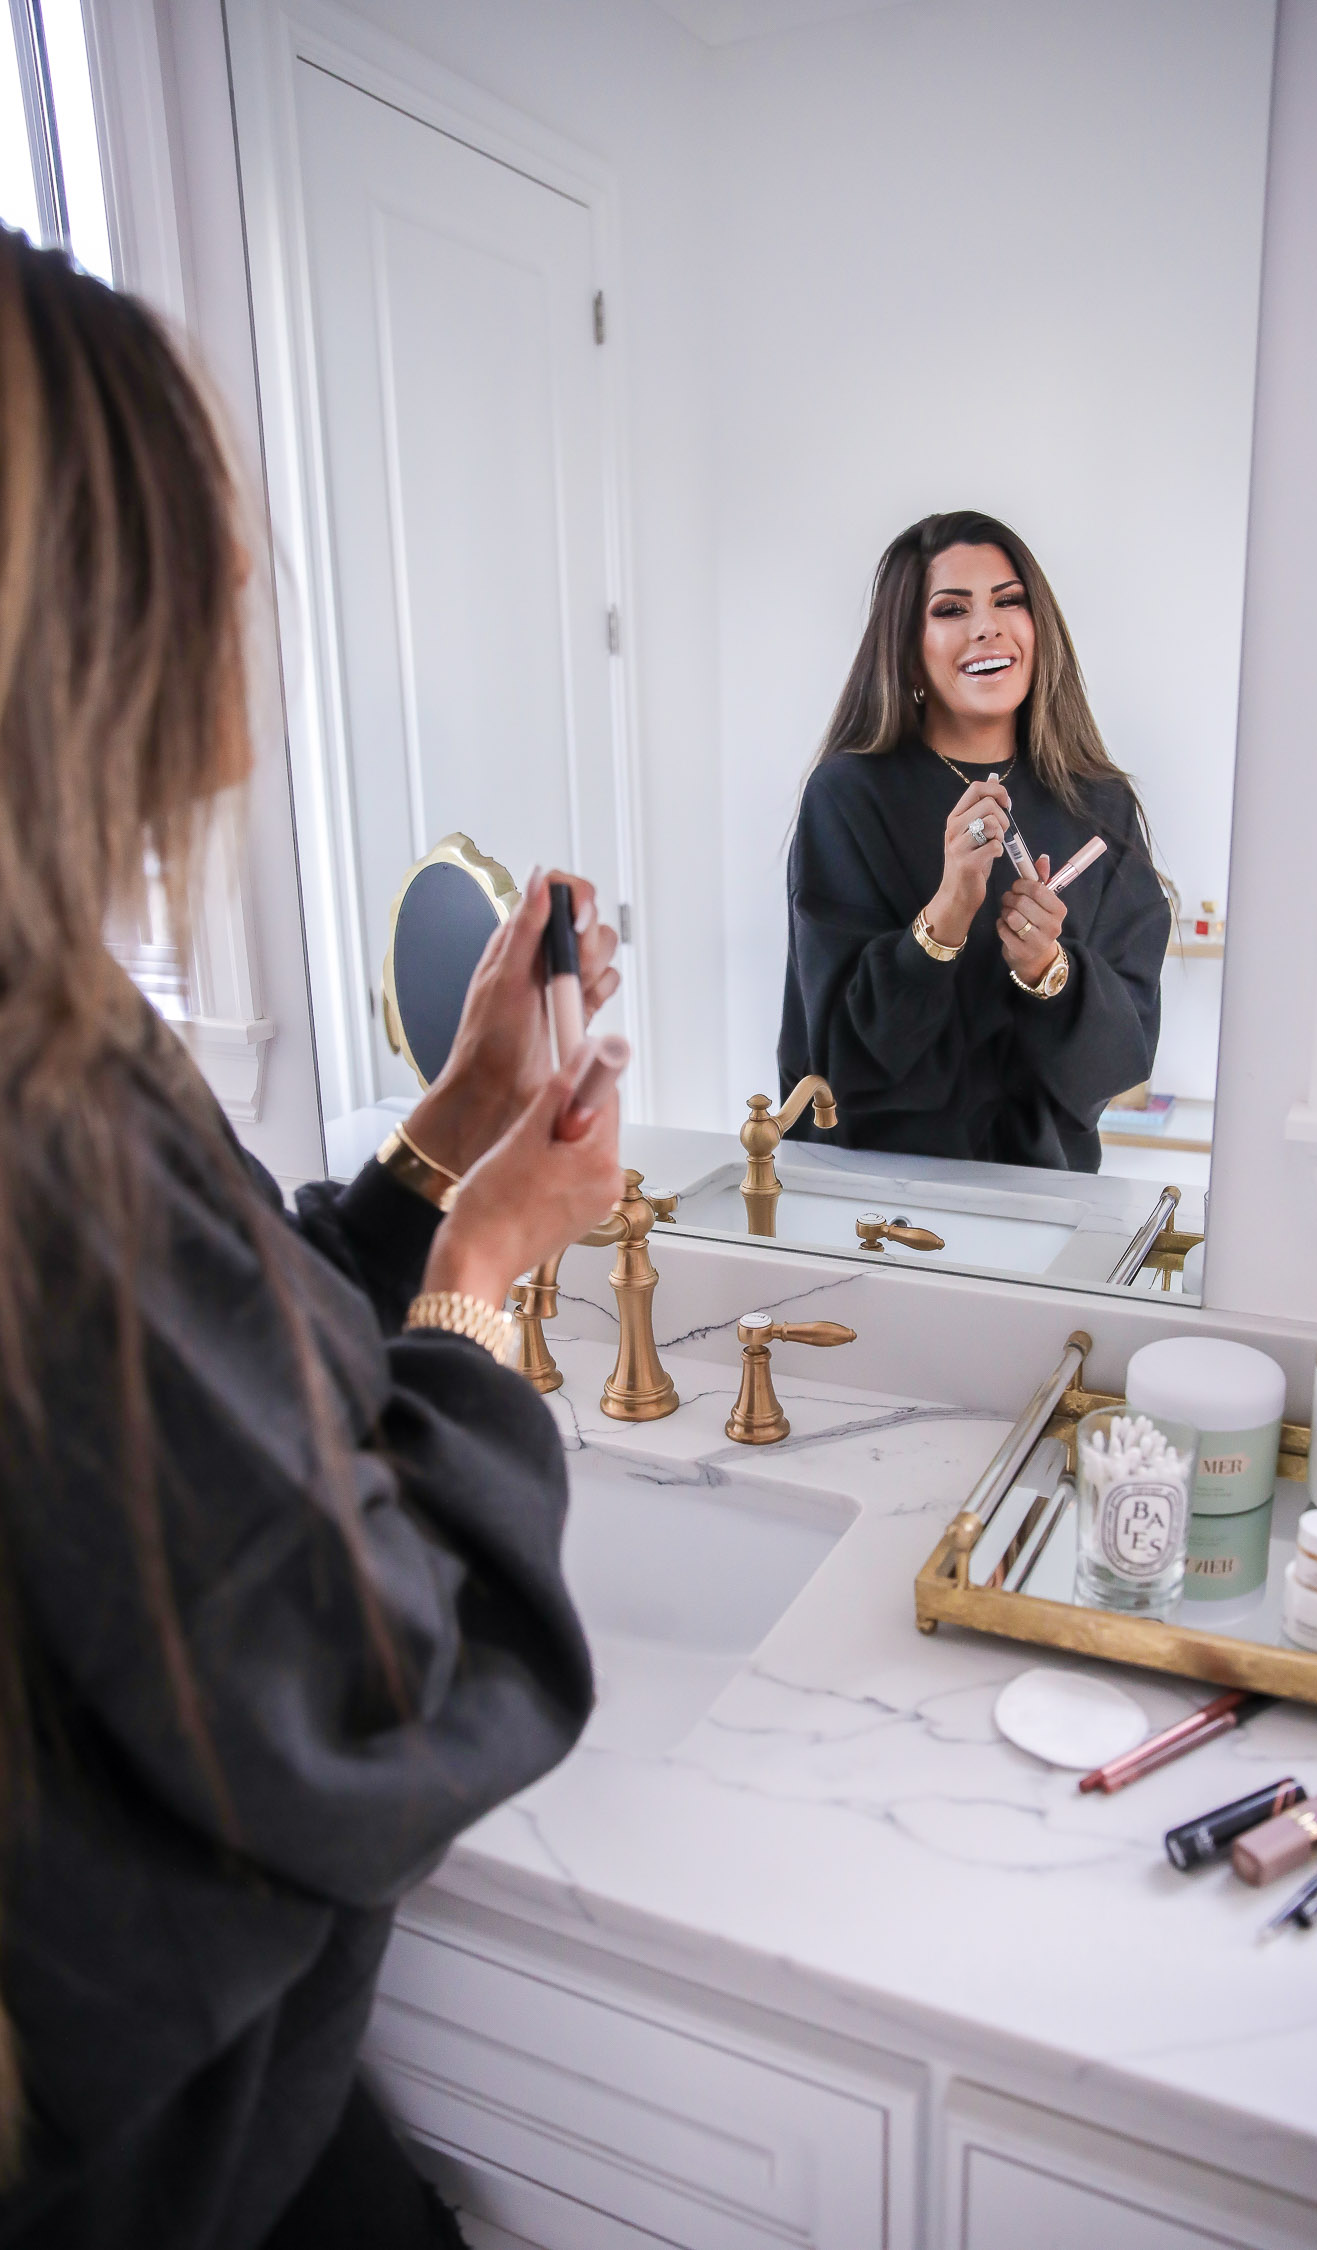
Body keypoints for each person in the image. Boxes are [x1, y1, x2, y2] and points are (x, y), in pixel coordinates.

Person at [0, 231, 622, 2246]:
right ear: (96, 630)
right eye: (222, 602)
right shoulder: (48, 1124)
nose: (247, 699)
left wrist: (449, 1133)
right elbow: (379, 1684)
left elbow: (216, 1379)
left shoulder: (58, 1061)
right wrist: (485, 1286)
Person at [778, 510, 1171, 1172]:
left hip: (1044, 1201)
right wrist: (945, 919)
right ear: (906, 646)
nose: (986, 625)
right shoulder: (847, 796)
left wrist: (1049, 971)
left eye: (1008, 601)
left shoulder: (1099, 805)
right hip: (877, 1207)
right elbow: (838, 1064)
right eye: (951, 608)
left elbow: (1124, 1057)